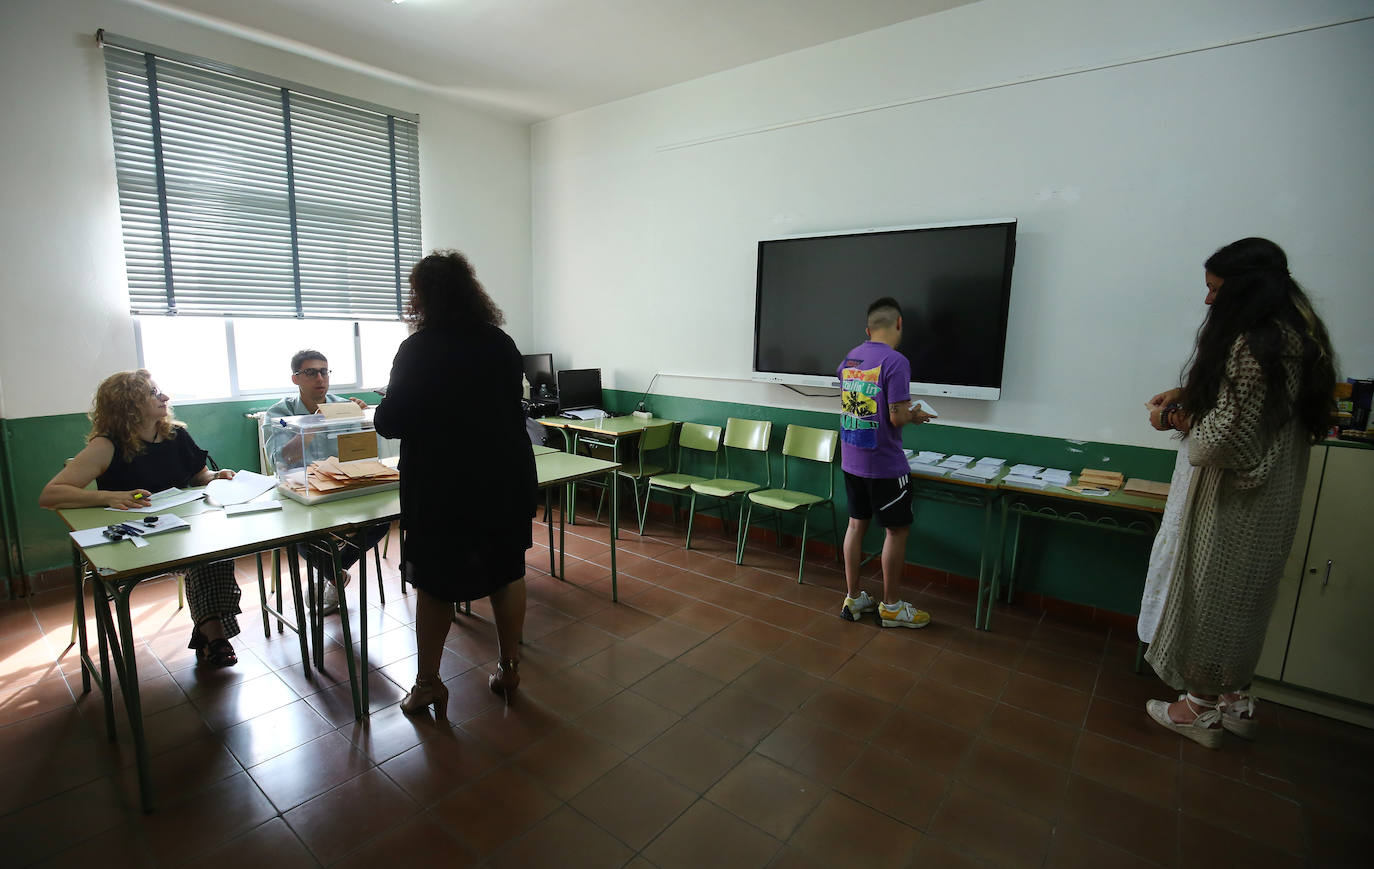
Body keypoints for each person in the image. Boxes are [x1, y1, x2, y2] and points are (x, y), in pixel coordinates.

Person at [1141, 237, 1336, 748]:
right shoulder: (1301, 338)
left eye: (1215, 290)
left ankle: (1198, 708)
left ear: (1245, 291)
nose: (1208, 301)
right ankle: (1237, 699)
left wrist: (1173, 419)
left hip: (1236, 499)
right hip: (1276, 496)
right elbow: (1256, 408)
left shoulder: (1253, 345)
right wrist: (1192, 392)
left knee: (1212, 598)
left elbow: (1221, 441)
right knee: (1248, 599)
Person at [374, 250, 537, 718]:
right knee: (508, 571)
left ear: (421, 298)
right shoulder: (500, 343)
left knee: (437, 581)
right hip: (504, 476)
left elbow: (392, 421)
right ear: (471, 290)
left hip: (444, 484)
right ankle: (509, 668)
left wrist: (392, 404)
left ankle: (428, 684)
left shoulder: (418, 349)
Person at [38, 370, 242, 666]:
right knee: (204, 556)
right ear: (128, 404)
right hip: (134, 538)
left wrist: (217, 477)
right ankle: (214, 634)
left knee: (216, 551)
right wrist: (109, 496)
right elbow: (51, 495)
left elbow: (199, 477)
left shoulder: (176, 435)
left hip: (182, 530)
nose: (165, 397)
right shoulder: (107, 445)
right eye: (153, 392)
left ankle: (213, 634)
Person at [837, 297, 935, 629]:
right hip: (884, 466)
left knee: (855, 526)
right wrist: (916, 416)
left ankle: (853, 598)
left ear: (867, 330)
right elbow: (895, 417)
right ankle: (891, 606)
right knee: (896, 530)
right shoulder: (896, 361)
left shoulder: (850, 358)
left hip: (851, 458)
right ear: (899, 325)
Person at [265, 350, 387, 615]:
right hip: (302, 495)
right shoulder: (280, 413)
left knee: (383, 518)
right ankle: (335, 576)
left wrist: (362, 422)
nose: (320, 378)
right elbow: (280, 459)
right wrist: (315, 423)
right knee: (299, 531)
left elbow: (364, 457)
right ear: (295, 378)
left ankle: (332, 571)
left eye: (324, 371)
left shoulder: (343, 407)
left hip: (340, 490)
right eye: (310, 373)